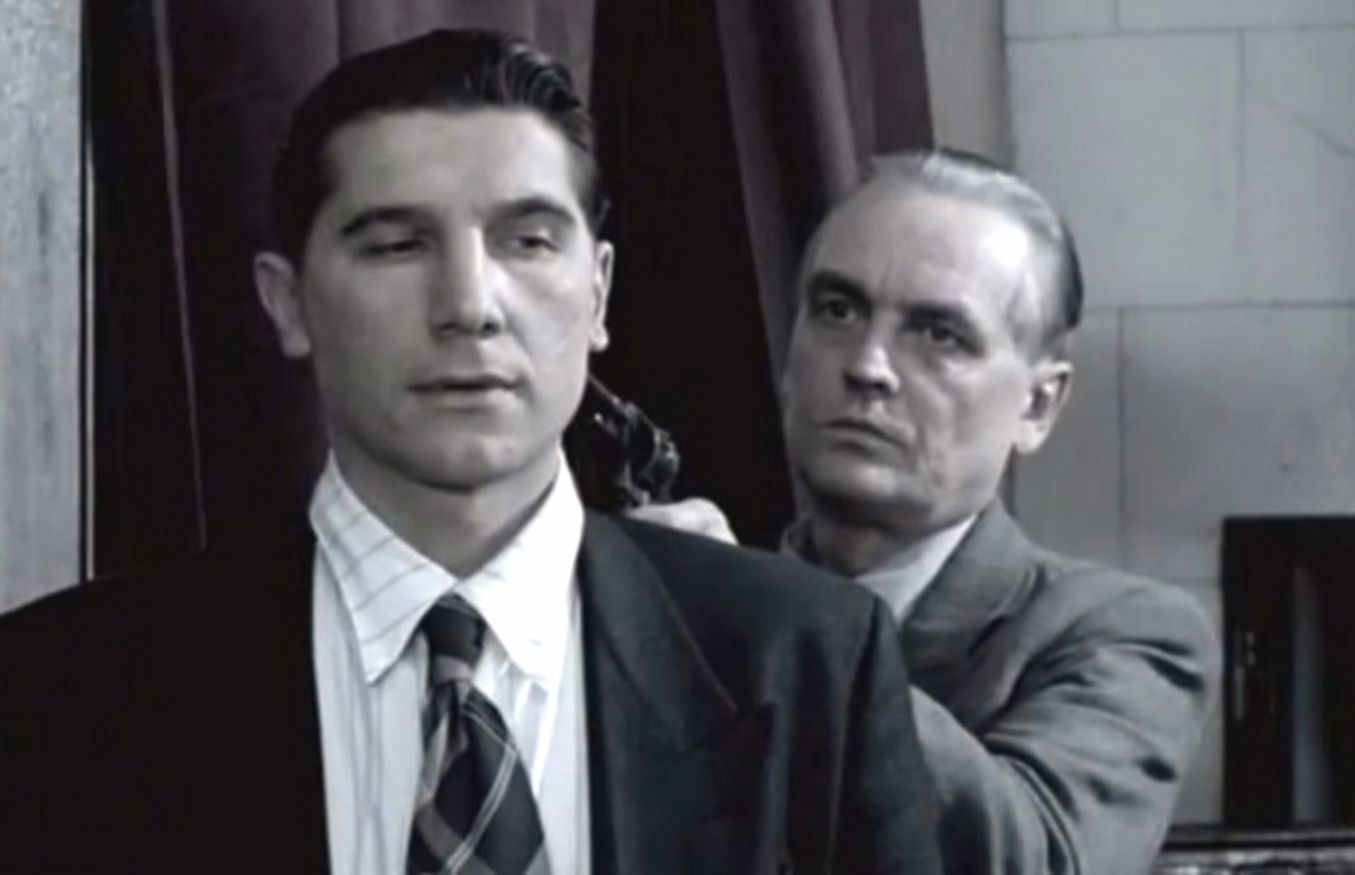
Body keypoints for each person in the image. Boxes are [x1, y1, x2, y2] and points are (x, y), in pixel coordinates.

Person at [0, 30, 942, 875]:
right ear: (287, 303)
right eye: (396, 245)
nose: (469, 304)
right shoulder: (70, 687)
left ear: (598, 291)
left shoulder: (805, 662)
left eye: (527, 241)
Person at [635, 149, 1220, 874]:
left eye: (939, 334)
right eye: (838, 310)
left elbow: (1036, 859)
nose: (866, 366)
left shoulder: (1125, 632)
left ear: (1036, 406)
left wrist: (775, 626)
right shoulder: (683, 617)